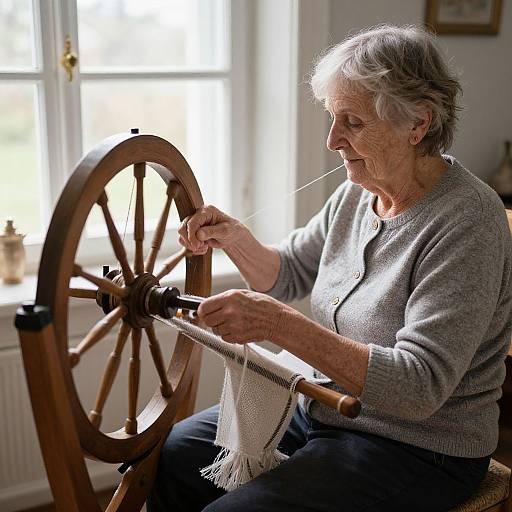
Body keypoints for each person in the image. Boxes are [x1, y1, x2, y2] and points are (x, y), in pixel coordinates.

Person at [147, 24, 512, 511]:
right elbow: (290, 272)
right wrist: (235, 239)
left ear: (417, 124)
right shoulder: (358, 195)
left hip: (418, 447)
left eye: (353, 123)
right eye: (332, 118)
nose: (332, 141)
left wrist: (280, 324)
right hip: (323, 408)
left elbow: (419, 387)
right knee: (171, 457)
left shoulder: (468, 220)